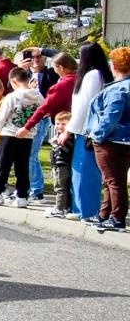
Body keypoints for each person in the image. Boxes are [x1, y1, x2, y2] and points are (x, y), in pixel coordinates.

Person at [24, 52, 77, 219]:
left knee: (60, 170)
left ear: (61, 67)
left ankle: (60, 207)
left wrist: (27, 126)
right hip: (74, 128)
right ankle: (69, 206)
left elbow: (44, 107)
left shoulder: (62, 84)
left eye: (55, 67)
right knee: (70, 171)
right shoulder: (79, 79)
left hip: (65, 129)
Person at [83, 46, 130, 232]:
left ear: (115, 66)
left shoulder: (118, 90)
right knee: (113, 179)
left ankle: (117, 218)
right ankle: (105, 214)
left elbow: (111, 116)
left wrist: (96, 135)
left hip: (111, 140)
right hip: (125, 140)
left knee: (113, 181)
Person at [64, 42, 109, 223]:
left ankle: (86, 210)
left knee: (83, 170)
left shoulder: (92, 76)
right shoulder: (101, 74)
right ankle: (83, 209)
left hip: (85, 130)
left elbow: (84, 106)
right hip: (89, 130)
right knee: (85, 171)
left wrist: (68, 130)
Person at [0, 66, 41, 207]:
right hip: (28, 134)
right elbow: (43, 111)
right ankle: (22, 195)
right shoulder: (38, 96)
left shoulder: (12, 97)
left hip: (9, 133)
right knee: (22, 166)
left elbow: (2, 116)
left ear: (13, 81)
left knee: (3, 164)